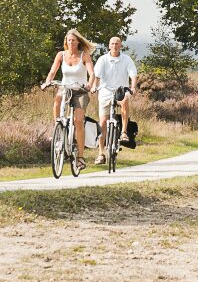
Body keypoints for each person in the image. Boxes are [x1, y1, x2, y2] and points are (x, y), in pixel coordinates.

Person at [41, 28, 97, 173]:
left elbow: (92, 74)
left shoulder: (84, 56)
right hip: (65, 88)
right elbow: (53, 71)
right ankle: (57, 128)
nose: (71, 42)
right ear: (66, 42)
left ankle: (80, 157)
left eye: (73, 40)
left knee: (78, 120)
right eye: (68, 40)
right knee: (58, 99)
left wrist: (90, 85)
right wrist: (47, 82)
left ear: (78, 41)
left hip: (80, 91)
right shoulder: (61, 55)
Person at [92, 35, 138, 163]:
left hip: (121, 90)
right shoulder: (103, 59)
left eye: (117, 44)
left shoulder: (126, 59)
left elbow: (133, 75)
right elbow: (97, 76)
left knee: (125, 101)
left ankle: (123, 132)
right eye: (112, 44)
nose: (114, 46)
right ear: (109, 45)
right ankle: (101, 153)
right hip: (105, 91)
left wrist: (133, 87)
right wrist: (95, 87)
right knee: (102, 121)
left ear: (120, 46)